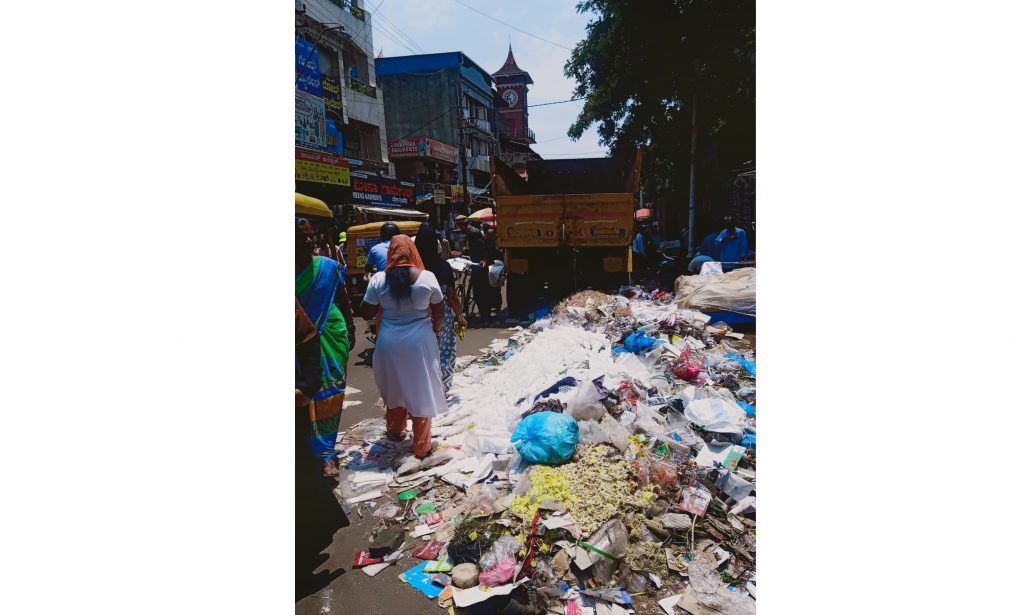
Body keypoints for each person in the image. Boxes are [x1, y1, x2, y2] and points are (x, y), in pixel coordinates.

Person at [360, 235, 447, 458]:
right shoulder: (427, 278)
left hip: (389, 344)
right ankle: (421, 446)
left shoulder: (378, 279)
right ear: (413, 252)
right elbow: (439, 313)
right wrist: (435, 333)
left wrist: (372, 288)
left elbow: (366, 313)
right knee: (421, 390)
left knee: (395, 388)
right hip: (420, 343)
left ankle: (396, 431)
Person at [296, 218, 356, 477]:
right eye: (302, 237)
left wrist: (351, 329)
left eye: (312, 236)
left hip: (331, 336)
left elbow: (342, 296)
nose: (310, 241)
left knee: (328, 396)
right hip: (298, 341)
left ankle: (326, 453)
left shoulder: (328, 267)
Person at [415, 223, 466, 393]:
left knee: (423, 355)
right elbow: (451, 296)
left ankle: (424, 390)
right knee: (443, 351)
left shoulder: (413, 268)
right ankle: (441, 390)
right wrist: (460, 315)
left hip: (417, 317)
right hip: (441, 316)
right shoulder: (443, 267)